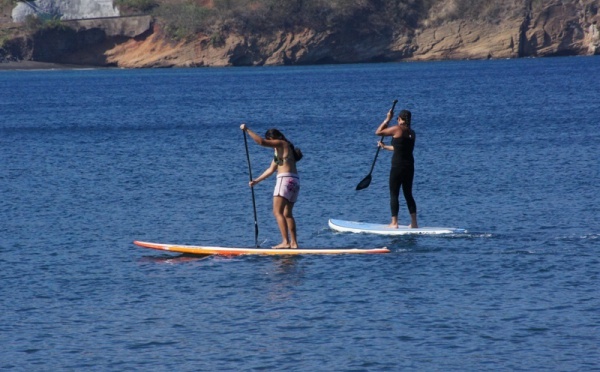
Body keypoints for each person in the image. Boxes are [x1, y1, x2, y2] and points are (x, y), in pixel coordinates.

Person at [240, 124, 303, 248]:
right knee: (287, 214)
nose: (271, 143)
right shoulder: (282, 151)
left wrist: (247, 130)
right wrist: (256, 181)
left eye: (270, 140)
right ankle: (294, 243)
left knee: (277, 212)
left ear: (273, 138)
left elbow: (261, 142)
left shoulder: (281, 143)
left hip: (284, 180)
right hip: (294, 182)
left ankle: (285, 242)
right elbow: (270, 170)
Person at [375, 108, 418, 228]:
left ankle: (394, 223)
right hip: (409, 166)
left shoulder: (397, 129)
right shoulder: (412, 133)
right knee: (408, 194)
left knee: (394, 194)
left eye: (397, 119)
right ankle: (414, 223)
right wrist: (384, 147)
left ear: (400, 119)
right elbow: (399, 149)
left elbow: (378, 132)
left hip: (398, 166)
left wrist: (387, 119)